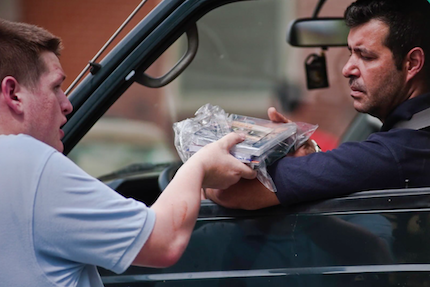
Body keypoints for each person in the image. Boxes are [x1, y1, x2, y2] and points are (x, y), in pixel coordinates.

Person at [0, 19, 256, 286]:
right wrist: (200, 165)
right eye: (55, 87)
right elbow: (163, 242)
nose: (67, 104)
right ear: (13, 94)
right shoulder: (24, 162)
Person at [204, 0, 430, 210]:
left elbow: (230, 191)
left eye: (366, 56)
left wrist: (200, 176)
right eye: (351, 53)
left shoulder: (399, 151)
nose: (347, 69)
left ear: (412, 63)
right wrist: (310, 153)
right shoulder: (410, 140)